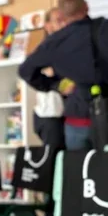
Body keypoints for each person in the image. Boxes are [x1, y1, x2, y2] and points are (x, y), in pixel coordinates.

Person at [18, 0, 108, 150]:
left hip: (78, 120)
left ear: (62, 15)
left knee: (79, 166)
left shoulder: (55, 42)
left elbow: (25, 70)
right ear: (86, 7)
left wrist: (56, 85)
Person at [32, 8, 65, 149]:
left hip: (65, 115)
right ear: (48, 26)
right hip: (50, 115)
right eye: (58, 21)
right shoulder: (46, 50)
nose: (64, 24)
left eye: (64, 20)